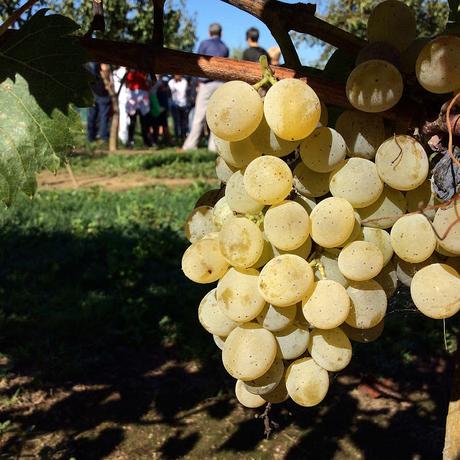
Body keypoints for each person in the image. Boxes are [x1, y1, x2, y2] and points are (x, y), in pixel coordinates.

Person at [182, 23, 229, 152]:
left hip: (207, 84)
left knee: (199, 116)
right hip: (220, 84)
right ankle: (214, 147)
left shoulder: (204, 44)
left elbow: (199, 63)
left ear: (209, 33)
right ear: (221, 33)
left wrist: (196, 82)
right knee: (216, 117)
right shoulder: (225, 47)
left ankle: (190, 145)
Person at [125, 70, 152, 148]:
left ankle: (146, 141)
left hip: (143, 94)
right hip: (133, 94)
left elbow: (150, 83)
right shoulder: (130, 71)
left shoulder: (146, 72)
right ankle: (130, 141)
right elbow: (127, 83)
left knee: (144, 121)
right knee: (132, 121)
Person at [86, 62, 112, 143]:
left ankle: (91, 137)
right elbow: (105, 69)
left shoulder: (88, 65)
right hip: (102, 93)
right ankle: (103, 137)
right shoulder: (101, 62)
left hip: (93, 92)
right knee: (103, 116)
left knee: (92, 116)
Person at [168, 75, 189, 144]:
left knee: (184, 122)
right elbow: (171, 91)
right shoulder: (171, 82)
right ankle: (177, 137)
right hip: (174, 104)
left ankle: (183, 137)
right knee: (176, 122)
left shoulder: (184, 82)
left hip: (183, 104)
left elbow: (184, 92)